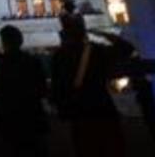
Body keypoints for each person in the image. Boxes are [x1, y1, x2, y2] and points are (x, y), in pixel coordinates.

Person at [50, 8, 133, 157]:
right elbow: (127, 48)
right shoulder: (96, 51)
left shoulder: (59, 56)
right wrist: (102, 34)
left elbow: (56, 87)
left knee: (86, 148)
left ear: (64, 33)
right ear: (83, 32)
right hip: (101, 107)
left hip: (79, 112)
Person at [0, 25, 48, 157]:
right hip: (31, 113)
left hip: (8, 114)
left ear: (4, 42)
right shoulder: (32, 61)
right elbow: (42, 88)